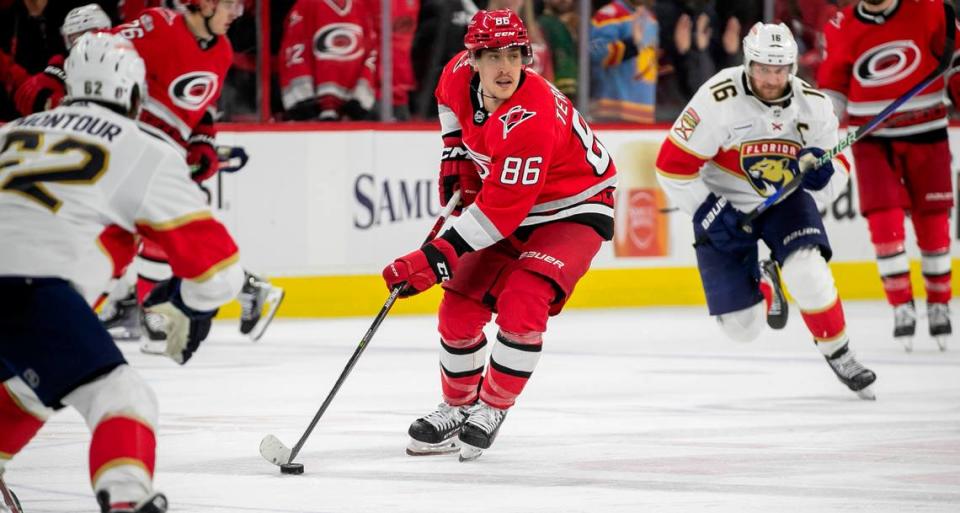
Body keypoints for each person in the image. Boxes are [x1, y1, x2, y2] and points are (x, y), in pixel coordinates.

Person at [0, 32, 244, 513]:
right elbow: (219, 271)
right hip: (30, 286)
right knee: (120, 395)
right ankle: (127, 501)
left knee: (31, 386)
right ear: (134, 95)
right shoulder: (142, 148)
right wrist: (186, 308)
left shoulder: (11, 131)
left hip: (25, 293)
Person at [381, 9, 617, 461]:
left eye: (514, 55)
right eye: (492, 56)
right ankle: (456, 406)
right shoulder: (455, 74)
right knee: (458, 306)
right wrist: (454, 153)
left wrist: (434, 257)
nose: (505, 66)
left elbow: (497, 216)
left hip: (574, 208)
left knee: (523, 299)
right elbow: (446, 102)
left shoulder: (532, 115)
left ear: (527, 56)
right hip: (514, 206)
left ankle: (491, 407)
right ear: (472, 59)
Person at [655, 22, 878, 399]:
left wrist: (821, 178)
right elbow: (671, 166)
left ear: (791, 67)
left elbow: (840, 168)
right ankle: (764, 279)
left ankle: (840, 353)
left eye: (779, 69)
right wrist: (709, 212)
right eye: (763, 68)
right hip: (722, 203)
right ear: (748, 63)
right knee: (743, 328)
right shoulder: (717, 99)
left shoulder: (814, 107)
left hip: (783, 201)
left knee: (808, 270)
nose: (771, 78)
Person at [102, 0, 284, 343]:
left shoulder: (223, 51)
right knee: (151, 233)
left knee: (155, 234)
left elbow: (200, 108)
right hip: (130, 147)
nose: (236, 15)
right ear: (204, 3)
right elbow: (99, 47)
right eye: (230, 5)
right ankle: (147, 306)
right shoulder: (158, 25)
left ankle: (148, 309)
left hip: (159, 159)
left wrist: (202, 140)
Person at [817, 0, 957, 352]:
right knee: (884, 223)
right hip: (872, 139)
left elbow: (955, 64)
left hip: (927, 129)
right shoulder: (840, 24)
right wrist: (819, 136)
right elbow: (832, 89)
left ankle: (939, 302)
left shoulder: (931, 10)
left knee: (934, 222)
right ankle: (901, 308)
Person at [12, 3, 112, 117]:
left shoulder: (124, 57)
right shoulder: (62, 65)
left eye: (90, 33)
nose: (84, 41)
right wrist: (53, 102)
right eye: (74, 37)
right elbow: (26, 94)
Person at [589, 0, 659, 123]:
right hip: (613, 113)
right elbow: (595, 55)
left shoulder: (650, 17)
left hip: (646, 113)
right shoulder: (609, 14)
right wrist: (632, 44)